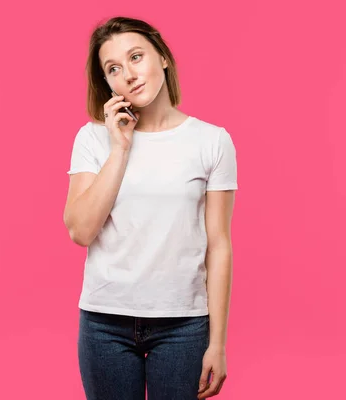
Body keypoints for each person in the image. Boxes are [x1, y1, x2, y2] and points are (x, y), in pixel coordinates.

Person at [63, 16, 238, 400]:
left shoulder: (212, 141)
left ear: (162, 57)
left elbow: (219, 245)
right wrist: (120, 147)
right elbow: (80, 230)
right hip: (104, 323)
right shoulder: (93, 138)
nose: (128, 73)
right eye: (113, 68)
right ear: (106, 82)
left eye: (136, 56)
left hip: (183, 325)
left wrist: (218, 344)